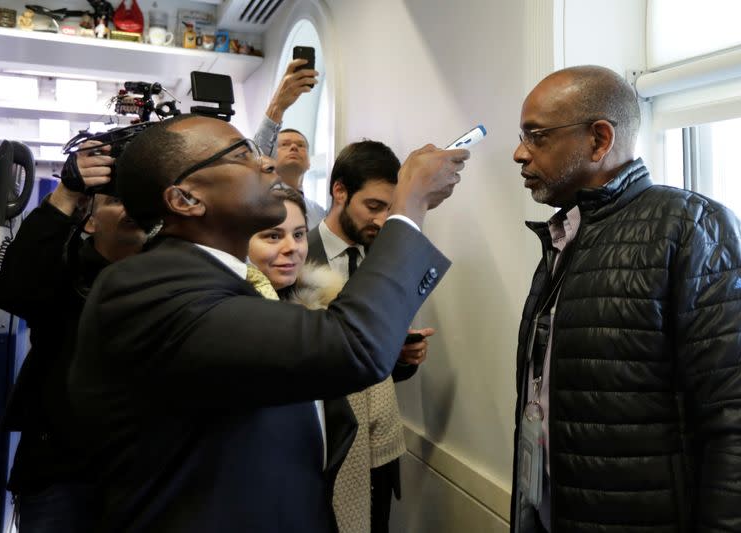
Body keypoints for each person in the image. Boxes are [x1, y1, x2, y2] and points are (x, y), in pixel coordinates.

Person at [68, 114, 468, 533]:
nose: (267, 163)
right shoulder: (148, 289)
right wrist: (407, 208)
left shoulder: (228, 280)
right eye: (241, 155)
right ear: (185, 199)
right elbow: (350, 346)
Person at [510, 64, 741, 533]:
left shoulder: (691, 227)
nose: (519, 153)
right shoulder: (566, 234)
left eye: (536, 136)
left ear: (599, 139)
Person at [0, 141, 145, 532]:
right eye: (115, 201)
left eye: (138, 200)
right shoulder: (61, 270)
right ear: (89, 219)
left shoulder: (168, 275)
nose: (129, 210)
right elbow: (15, 288)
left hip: (140, 471)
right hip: (61, 469)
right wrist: (66, 194)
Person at [307, 139, 431, 532]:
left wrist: (402, 357)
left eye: (390, 210)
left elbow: (376, 361)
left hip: (379, 447)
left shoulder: (384, 261)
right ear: (340, 191)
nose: (381, 222)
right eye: (373, 207)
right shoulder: (293, 257)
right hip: (318, 452)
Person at [254, 59, 328, 227]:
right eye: (285, 144)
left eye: (301, 146)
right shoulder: (259, 199)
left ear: (309, 163)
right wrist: (277, 107)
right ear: (270, 157)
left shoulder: (320, 213)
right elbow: (257, 155)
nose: (294, 147)